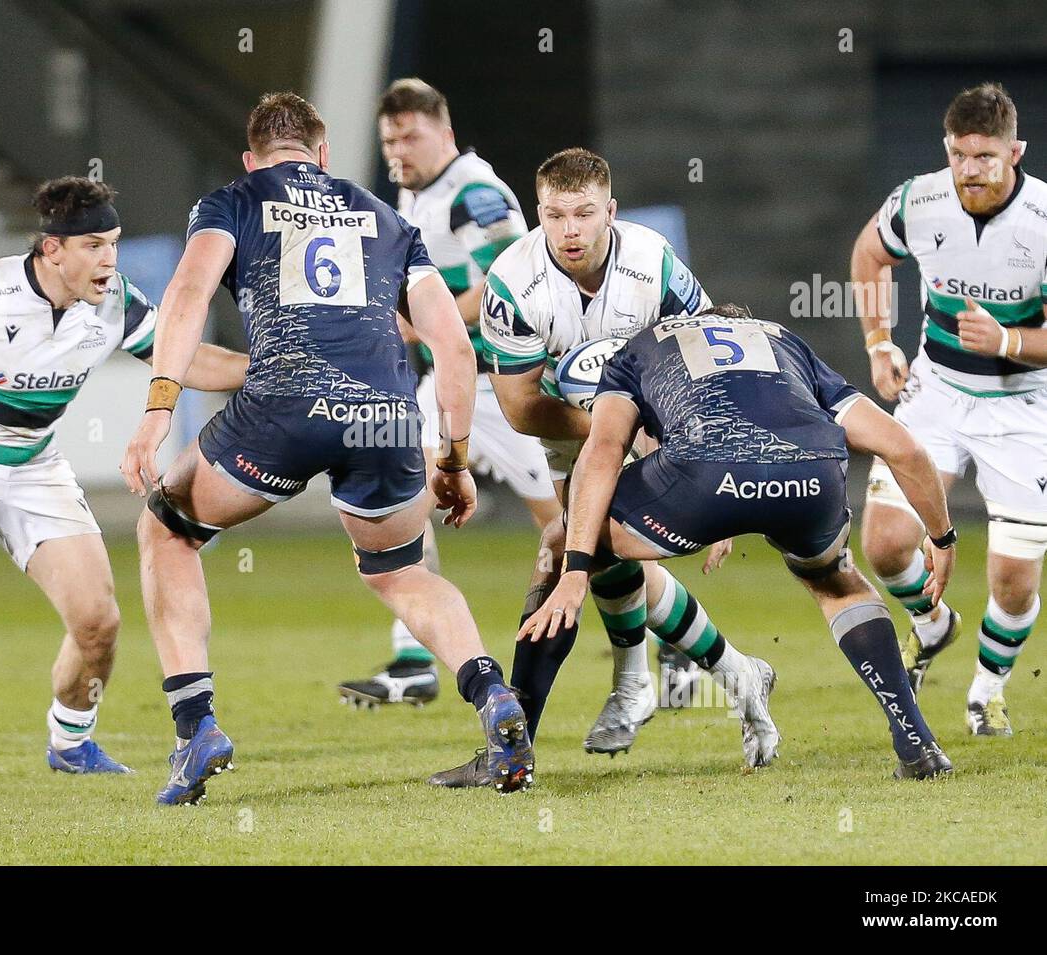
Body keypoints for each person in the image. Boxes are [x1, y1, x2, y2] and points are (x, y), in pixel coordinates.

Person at [119, 92, 534, 805]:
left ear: (252, 159)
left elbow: (186, 297)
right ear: (325, 156)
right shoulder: (389, 216)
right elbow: (455, 349)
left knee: (166, 528)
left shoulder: (234, 198)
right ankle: (493, 693)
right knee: (401, 573)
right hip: (386, 412)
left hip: (283, 405)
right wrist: (455, 461)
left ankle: (196, 727)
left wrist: (158, 413)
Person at [0, 176, 247, 773]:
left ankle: (69, 743)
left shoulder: (115, 303)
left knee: (98, 622)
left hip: (33, 464)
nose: (109, 259)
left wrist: (274, 368)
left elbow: (187, 359)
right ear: (53, 250)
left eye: (113, 243)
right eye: (93, 245)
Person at [522, 305, 956, 779]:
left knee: (566, 533)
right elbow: (902, 446)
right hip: (811, 476)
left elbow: (603, 450)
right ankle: (917, 744)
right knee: (838, 584)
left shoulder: (636, 349)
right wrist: (942, 535)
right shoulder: (786, 342)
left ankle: (514, 747)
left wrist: (576, 569)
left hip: (704, 479)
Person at [429, 148, 736, 788]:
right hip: (567, 431)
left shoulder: (654, 264)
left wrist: (707, 471)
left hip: (658, 424)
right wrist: (604, 430)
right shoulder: (513, 282)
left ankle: (516, 748)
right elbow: (518, 408)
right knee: (602, 557)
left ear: (610, 212)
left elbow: (707, 372)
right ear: (538, 213)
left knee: (561, 551)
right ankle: (714, 673)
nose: (569, 230)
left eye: (584, 213)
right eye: (554, 215)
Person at [335, 77, 559, 708]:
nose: (397, 151)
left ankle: (690, 654)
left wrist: (412, 323)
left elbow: (509, 287)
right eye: (388, 140)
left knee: (582, 532)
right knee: (406, 501)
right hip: (456, 383)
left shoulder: (476, 194)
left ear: (446, 132)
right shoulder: (414, 194)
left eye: (410, 136)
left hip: (509, 386)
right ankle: (414, 660)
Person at [853, 81, 1047, 736]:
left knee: (1015, 578)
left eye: (984, 156)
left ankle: (986, 689)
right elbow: (869, 254)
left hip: (1022, 406)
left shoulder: (1044, 220)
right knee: (882, 543)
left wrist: (1011, 341)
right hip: (936, 392)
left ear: (1014, 152)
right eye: (960, 154)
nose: (969, 169)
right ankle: (933, 625)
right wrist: (880, 343)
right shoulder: (920, 199)